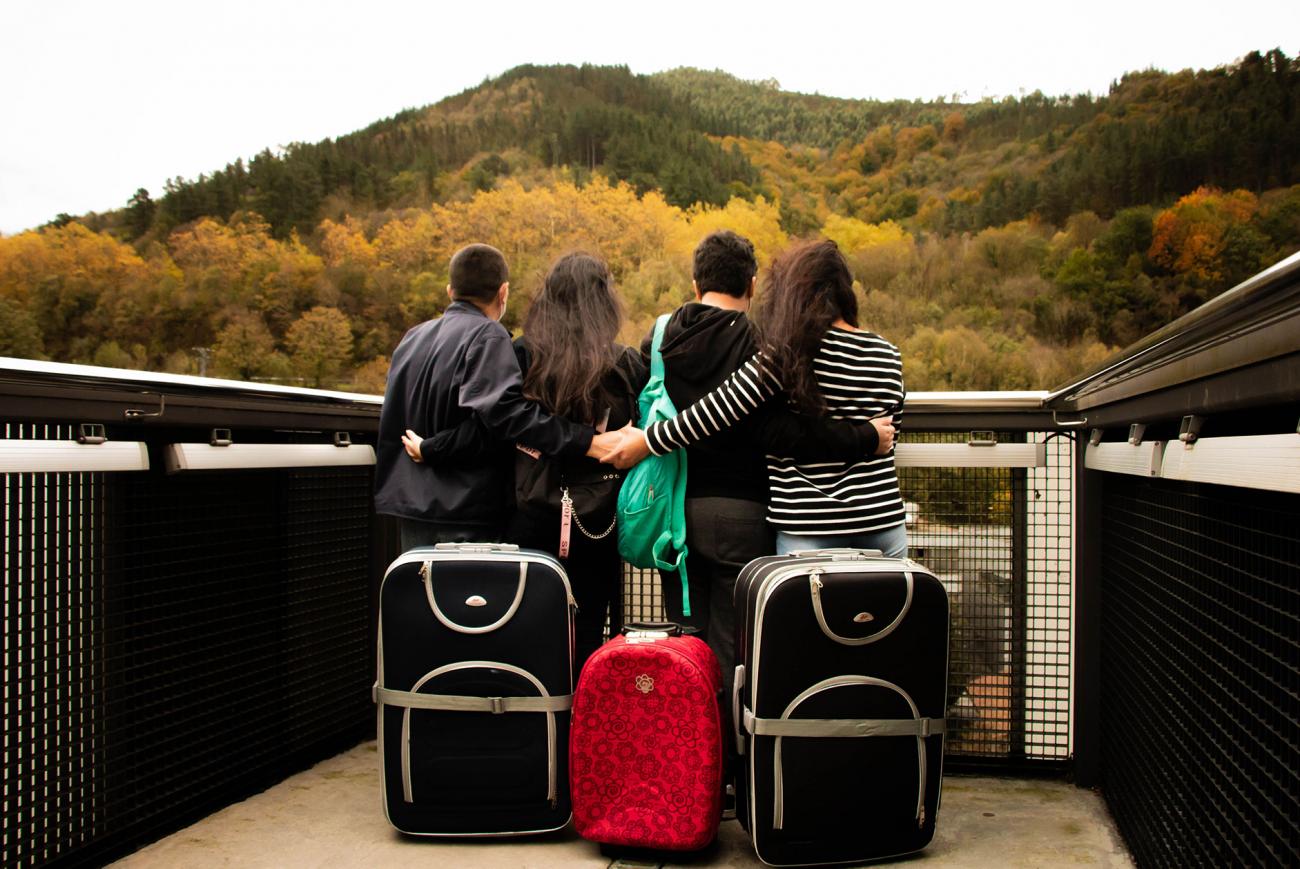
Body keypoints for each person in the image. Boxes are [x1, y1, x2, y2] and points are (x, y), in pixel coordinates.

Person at [403, 252, 647, 674]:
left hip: (527, 511)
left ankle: (534, 720)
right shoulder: (626, 363)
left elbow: (492, 423)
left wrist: (432, 447)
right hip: (600, 520)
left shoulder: (520, 353)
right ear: (606, 303)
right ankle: (582, 725)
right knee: (589, 628)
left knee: (525, 621)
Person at [606, 238, 907, 557]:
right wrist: (866, 436)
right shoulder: (888, 354)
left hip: (809, 529)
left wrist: (648, 441)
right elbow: (890, 438)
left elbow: (721, 407)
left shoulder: (789, 354)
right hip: (883, 524)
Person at [374, 243, 620, 549]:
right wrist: (585, 440)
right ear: (503, 292)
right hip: (466, 508)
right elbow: (499, 418)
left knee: (421, 593)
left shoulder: (412, 337)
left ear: (451, 290)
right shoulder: (489, 336)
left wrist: (426, 447)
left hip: (410, 504)